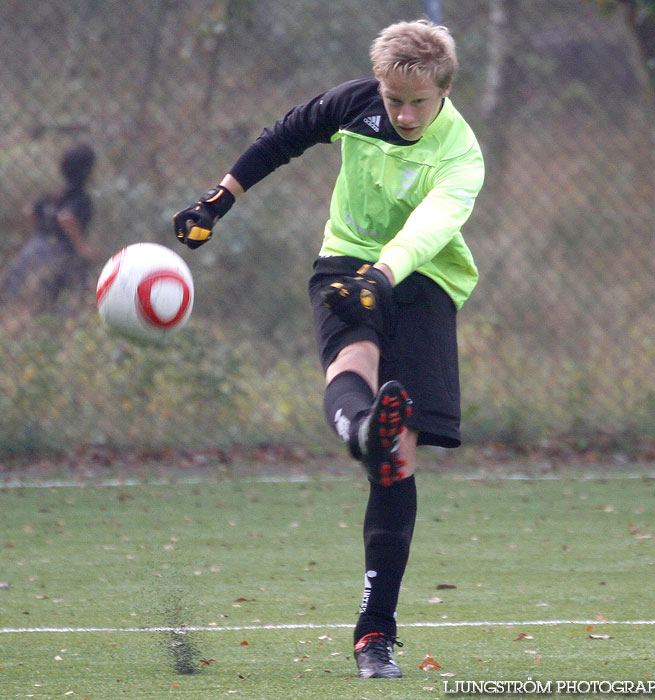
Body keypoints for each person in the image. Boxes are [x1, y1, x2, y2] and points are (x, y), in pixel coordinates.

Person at [173, 19, 484, 679]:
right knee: (354, 365)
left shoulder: (462, 155)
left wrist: (384, 277)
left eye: (416, 102)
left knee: (397, 462)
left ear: (445, 89)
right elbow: (286, 134)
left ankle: (375, 634)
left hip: (421, 281)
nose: (401, 112)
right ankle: (364, 425)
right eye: (392, 98)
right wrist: (219, 201)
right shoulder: (355, 104)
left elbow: (432, 228)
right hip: (344, 262)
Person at [0, 142, 98, 311]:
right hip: (61, 249)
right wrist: (83, 248)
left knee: (15, 282)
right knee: (63, 288)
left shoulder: (56, 194)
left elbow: (30, 212)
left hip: (37, 243)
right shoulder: (80, 196)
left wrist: (43, 231)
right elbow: (66, 218)